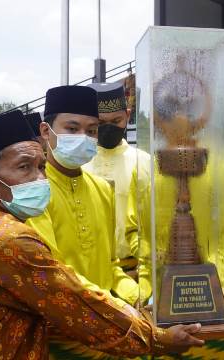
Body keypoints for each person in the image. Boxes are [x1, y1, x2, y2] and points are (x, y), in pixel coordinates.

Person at [0, 110, 203, 359]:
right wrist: (157, 338)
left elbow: (106, 269)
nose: (39, 178)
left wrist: (140, 297)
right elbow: (75, 301)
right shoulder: (8, 239)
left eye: (41, 166)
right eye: (23, 167)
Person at [27, 85, 140, 307]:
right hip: (62, 324)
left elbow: (110, 267)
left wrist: (139, 297)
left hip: (107, 319)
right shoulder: (34, 194)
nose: (83, 137)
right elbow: (53, 275)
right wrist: (116, 309)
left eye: (91, 131)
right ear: (46, 131)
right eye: (72, 128)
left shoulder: (103, 189)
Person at [83, 82, 151, 300]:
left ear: (128, 115)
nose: (108, 128)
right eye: (101, 123)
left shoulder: (145, 162)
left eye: (116, 121)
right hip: (88, 276)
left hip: (136, 274)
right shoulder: (79, 162)